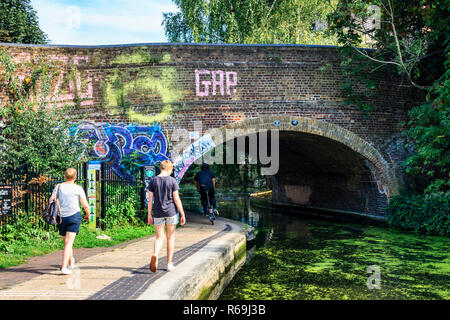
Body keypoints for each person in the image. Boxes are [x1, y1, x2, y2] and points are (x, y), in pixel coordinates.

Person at [147, 160, 186, 272]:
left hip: (158, 212)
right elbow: (176, 199)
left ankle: (155, 254)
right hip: (171, 212)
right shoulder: (172, 181)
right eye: (171, 170)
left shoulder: (153, 181)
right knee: (170, 238)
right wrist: (182, 214)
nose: (171, 172)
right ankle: (169, 264)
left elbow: (150, 200)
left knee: (159, 237)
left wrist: (149, 214)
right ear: (168, 168)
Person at [49, 168, 89, 275]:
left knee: (66, 242)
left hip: (61, 217)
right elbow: (84, 204)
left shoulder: (59, 187)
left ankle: (71, 262)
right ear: (75, 177)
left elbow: (51, 199)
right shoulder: (78, 188)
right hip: (74, 217)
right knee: (68, 243)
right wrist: (88, 214)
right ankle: (64, 267)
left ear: (65, 176)